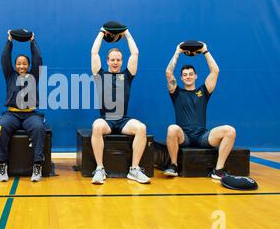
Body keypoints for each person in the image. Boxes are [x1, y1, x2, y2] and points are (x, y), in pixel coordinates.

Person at [164, 42, 236, 179]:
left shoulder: (203, 91)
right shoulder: (176, 92)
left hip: (202, 136)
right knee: (172, 128)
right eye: (185, 75)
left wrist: (205, 51)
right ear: (181, 78)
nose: (188, 76)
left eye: (191, 74)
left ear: (196, 76)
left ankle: (218, 170)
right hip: (184, 136)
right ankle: (173, 166)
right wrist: (177, 51)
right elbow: (168, 72)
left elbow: (216, 71)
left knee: (230, 131)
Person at [90, 27, 150, 185]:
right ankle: (99, 169)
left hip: (123, 120)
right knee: (96, 126)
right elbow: (94, 53)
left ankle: (134, 169)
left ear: (122, 61)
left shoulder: (127, 76)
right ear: (107, 61)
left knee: (141, 128)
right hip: (106, 120)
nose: (115, 62)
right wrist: (102, 32)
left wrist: (127, 34)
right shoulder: (100, 75)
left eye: (118, 60)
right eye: (112, 60)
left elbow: (135, 54)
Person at [0, 30, 45, 182]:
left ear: (28, 66)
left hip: (30, 114)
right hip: (12, 114)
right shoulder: (10, 75)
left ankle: (37, 166)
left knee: (38, 128)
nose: (21, 65)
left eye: (24, 63)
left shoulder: (34, 75)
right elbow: (4, 58)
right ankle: (2, 165)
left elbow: (38, 59)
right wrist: (9, 41)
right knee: (0, 127)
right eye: (19, 63)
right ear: (15, 66)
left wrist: (32, 43)